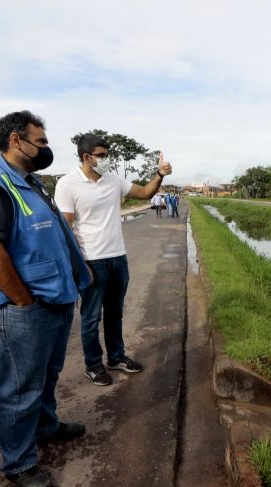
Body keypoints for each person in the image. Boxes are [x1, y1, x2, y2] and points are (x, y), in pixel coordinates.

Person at [0, 111, 92, 487]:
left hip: (51, 300)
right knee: (19, 388)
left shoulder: (28, 181)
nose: (46, 148)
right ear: (17, 140)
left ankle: (46, 427)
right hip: (18, 309)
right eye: (42, 141)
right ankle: (19, 462)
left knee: (45, 376)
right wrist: (23, 301)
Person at [54, 133, 173, 386]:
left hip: (118, 258)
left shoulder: (113, 180)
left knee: (115, 313)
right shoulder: (67, 184)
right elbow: (65, 228)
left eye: (107, 155)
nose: (106, 160)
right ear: (86, 157)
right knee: (91, 317)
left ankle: (116, 357)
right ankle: (93, 365)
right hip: (92, 261)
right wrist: (80, 264)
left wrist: (160, 174)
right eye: (101, 156)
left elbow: (145, 193)